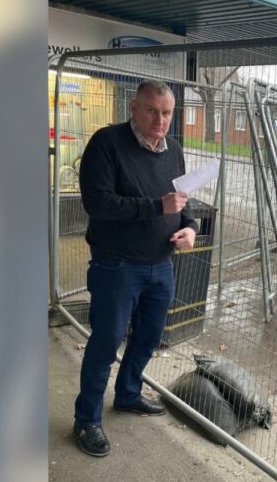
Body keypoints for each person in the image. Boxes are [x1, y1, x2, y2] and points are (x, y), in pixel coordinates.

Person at [73, 79, 198, 457]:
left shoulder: (174, 149)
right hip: (117, 265)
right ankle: (87, 420)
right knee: (106, 342)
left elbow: (180, 200)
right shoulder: (106, 143)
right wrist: (156, 207)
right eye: (152, 111)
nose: (161, 120)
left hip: (161, 264)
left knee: (148, 337)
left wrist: (189, 226)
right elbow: (98, 203)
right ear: (133, 107)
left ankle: (127, 394)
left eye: (167, 113)